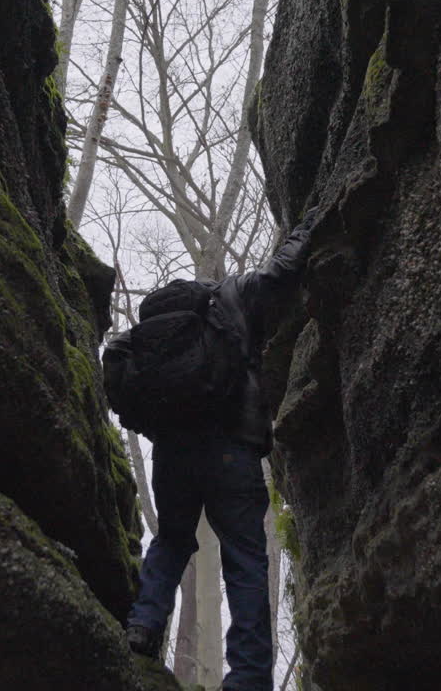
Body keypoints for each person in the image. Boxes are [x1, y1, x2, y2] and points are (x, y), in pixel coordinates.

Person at [113, 212, 316, 691]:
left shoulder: (147, 333)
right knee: (244, 558)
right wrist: (308, 227)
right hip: (232, 448)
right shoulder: (229, 296)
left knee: (171, 538)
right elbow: (280, 273)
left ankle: (143, 626)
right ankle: (247, 678)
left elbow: (118, 375)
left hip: (172, 453)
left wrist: (154, 427)